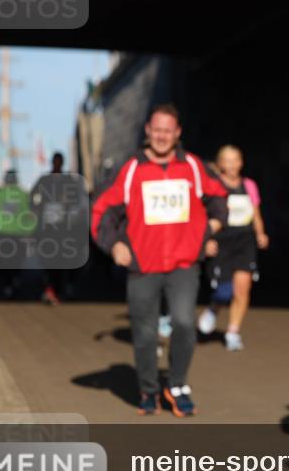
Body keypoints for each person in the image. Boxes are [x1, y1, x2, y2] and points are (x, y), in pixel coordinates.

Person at [92, 103, 227, 416]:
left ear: (177, 133)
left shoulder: (192, 166)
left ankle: (177, 384)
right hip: (143, 266)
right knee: (145, 333)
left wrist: (209, 230)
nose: (163, 136)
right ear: (148, 131)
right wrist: (113, 246)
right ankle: (149, 389)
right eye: (157, 130)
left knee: (183, 323)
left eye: (169, 130)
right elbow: (101, 210)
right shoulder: (131, 170)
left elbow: (219, 196)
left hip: (184, 263)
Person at [196, 145, 269, 351]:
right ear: (219, 164)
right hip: (222, 240)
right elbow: (203, 214)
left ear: (241, 162)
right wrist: (206, 239)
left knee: (243, 288)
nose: (231, 165)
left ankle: (233, 331)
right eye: (227, 161)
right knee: (224, 290)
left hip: (244, 240)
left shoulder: (249, 185)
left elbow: (256, 213)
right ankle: (214, 307)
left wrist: (260, 233)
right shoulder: (213, 186)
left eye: (235, 160)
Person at [31, 152, 88, 304]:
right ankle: (50, 288)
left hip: (64, 227)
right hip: (47, 226)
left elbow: (76, 198)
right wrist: (38, 208)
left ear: (62, 162)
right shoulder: (44, 180)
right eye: (55, 161)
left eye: (59, 161)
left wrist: (67, 205)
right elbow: (32, 197)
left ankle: (61, 288)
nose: (57, 164)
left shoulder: (68, 180)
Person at [0, 169, 36, 298]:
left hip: (1, 234)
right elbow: (30, 216)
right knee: (16, 260)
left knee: (1, 261)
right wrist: (30, 231)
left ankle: (4, 283)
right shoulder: (23, 195)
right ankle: (14, 279)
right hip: (19, 235)